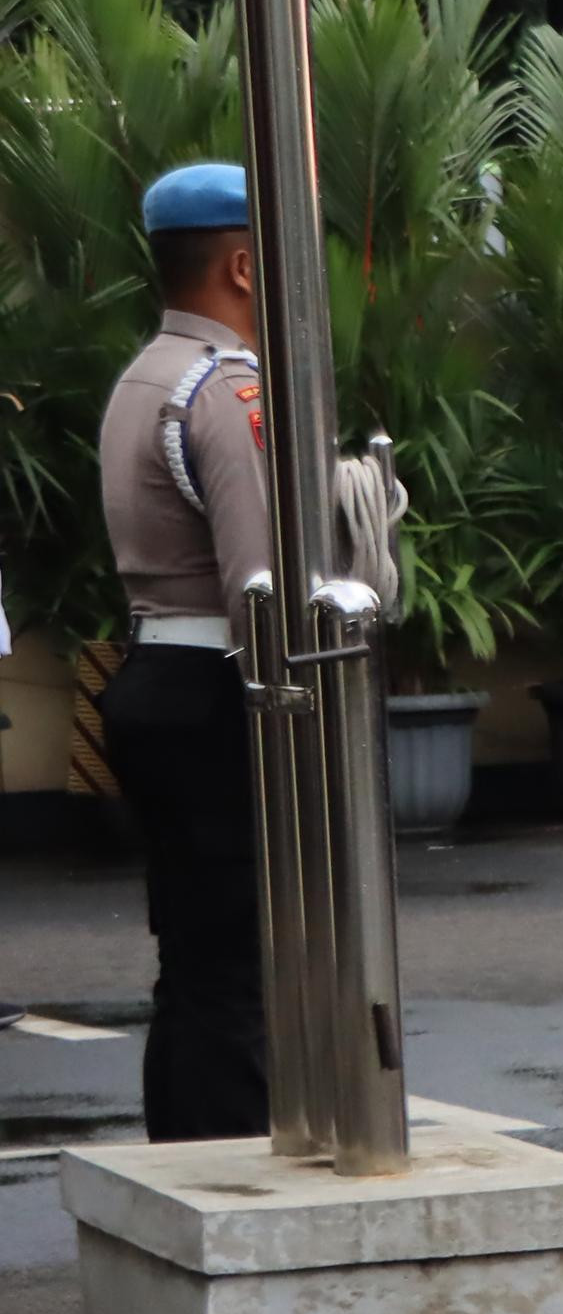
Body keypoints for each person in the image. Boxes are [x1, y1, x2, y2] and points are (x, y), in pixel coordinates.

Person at [96, 162, 278, 1143]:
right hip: (219, 689)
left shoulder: (146, 374)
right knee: (239, 964)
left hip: (155, 675)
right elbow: (262, 584)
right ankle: (233, 1172)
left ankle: (182, 1165)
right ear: (245, 264)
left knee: (196, 958)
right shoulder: (224, 387)